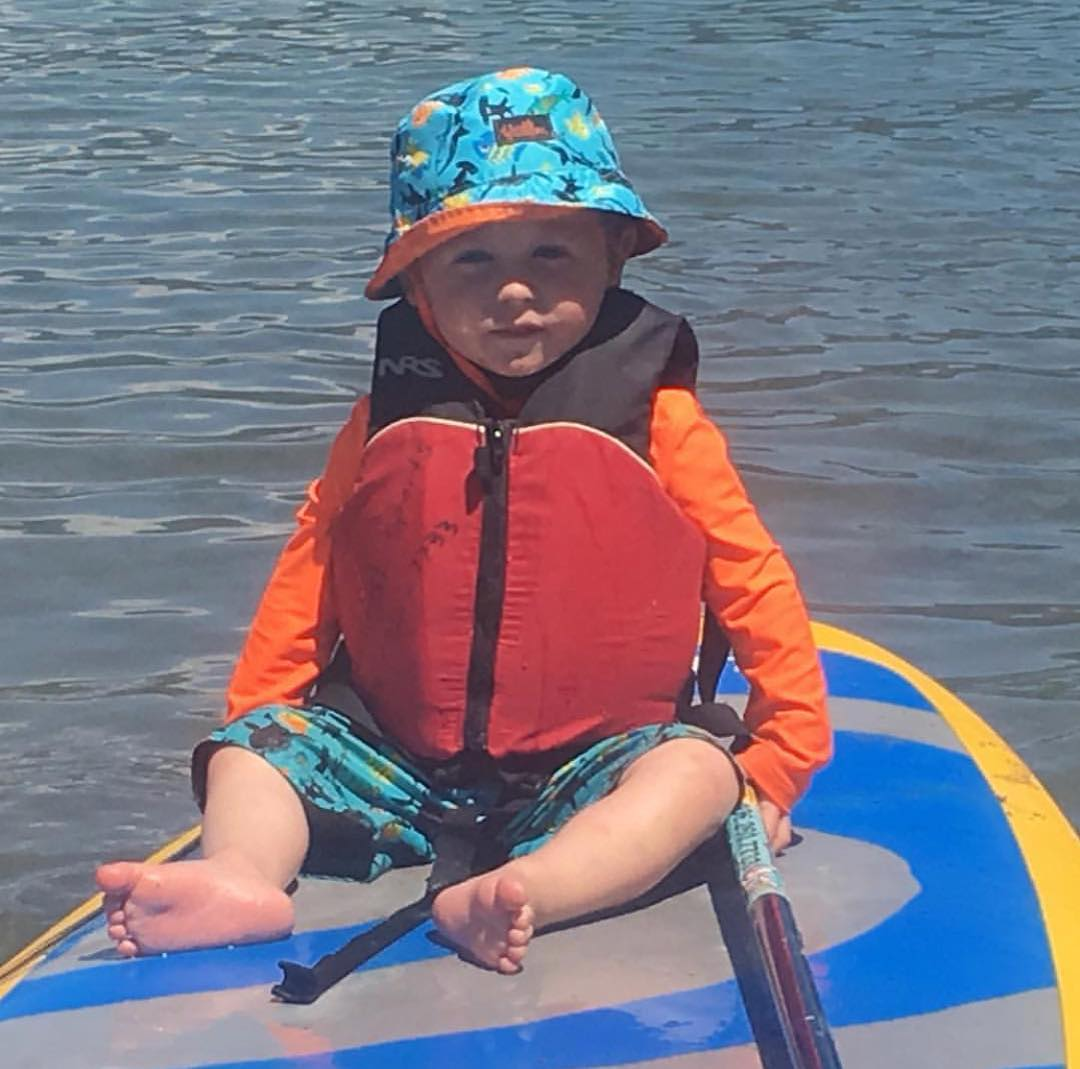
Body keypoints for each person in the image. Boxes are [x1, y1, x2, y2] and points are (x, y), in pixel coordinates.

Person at [96, 67, 830, 976]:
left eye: (550, 256)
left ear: (611, 257)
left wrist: (779, 758)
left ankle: (533, 890)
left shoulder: (659, 418)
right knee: (253, 752)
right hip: (393, 755)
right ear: (418, 285)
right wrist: (266, 721)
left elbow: (749, 574)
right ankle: (243, 875)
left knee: (697, 772)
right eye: (473, 259)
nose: (513, 292)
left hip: (589, 765)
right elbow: (313, 567)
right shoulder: (384, 419)